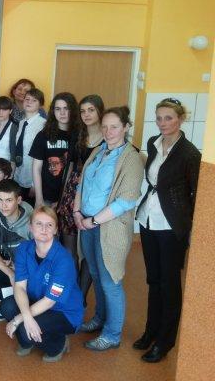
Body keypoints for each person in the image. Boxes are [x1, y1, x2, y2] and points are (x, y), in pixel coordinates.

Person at [134, 98, 201, 362]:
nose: (163, 123)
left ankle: (165, 341)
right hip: (147, 220)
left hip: (171, 225)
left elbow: (196, 194)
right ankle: (151, 331)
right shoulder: (153, 142)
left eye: (169, 118)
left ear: (180, 119)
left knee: (169, 283)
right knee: (153, 279)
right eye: (159, 117)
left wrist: (190, 227)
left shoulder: (189, 153)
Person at [73, 106, 144, 351]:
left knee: (110, 280)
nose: (108, 131)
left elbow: (126, 200)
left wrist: (93, 220)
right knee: (95, 274)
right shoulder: (98, 150)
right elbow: (81, 185)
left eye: (114, 126)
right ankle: (99, 318)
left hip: (109, 229)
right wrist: (77, 212)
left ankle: (112, 335)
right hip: (87, 224)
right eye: (105, 126)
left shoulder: (131, 158)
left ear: (126, 127)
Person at [1, 206, 84, 362]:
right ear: (30, 227)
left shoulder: (63, 260)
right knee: (7, 306)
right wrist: (26, 317)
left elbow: (50, 301)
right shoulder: (24, 249)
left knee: (24, 328)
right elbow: (19, 286)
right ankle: (28, 340)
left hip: (63, 311)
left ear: (56, 230)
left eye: (49, 225)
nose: (44, 229)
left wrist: (18, 319)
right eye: (39, 224)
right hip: (37, 301)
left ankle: (59, 344)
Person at [57, 95, 104, 305]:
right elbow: (70, 167)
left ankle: (80, 296)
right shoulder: (77, 134)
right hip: (72, 192)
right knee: (69, 247)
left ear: (100, 111)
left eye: (91, 110)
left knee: (88, 252)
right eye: (83, 111)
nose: (86, 114)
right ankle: (72, 290)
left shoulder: (108, 137)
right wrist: (63, 198)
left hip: (94, 197)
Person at [0, 179, 33, 321]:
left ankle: (24, 305)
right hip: (10, 267)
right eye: (0, 200)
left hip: (29, 269)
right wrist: (10, 273)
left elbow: (40, 254)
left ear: (18, 200)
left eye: (9, 200)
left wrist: (19, 268)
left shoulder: (32, 219)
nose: (3, 205)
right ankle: (7, 300)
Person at [30, 92, 78, 208]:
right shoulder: (43, 135)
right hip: (45, 196)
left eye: (66, 108)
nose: (62, 113)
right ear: (53, 111)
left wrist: (62, 198)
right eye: (58, 109)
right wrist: (39, 199)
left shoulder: (78, 136)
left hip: (69, 196)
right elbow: (36, 168)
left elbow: (72, 168)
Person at [11, 88, 46, 205]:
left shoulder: (43, 124)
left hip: (32, 179)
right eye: (27, 99)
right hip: (18, 175)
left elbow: (43, 157)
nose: (29, 102)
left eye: (34, 100)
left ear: (40, 104)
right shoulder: (22, 123)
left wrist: (34, 184)